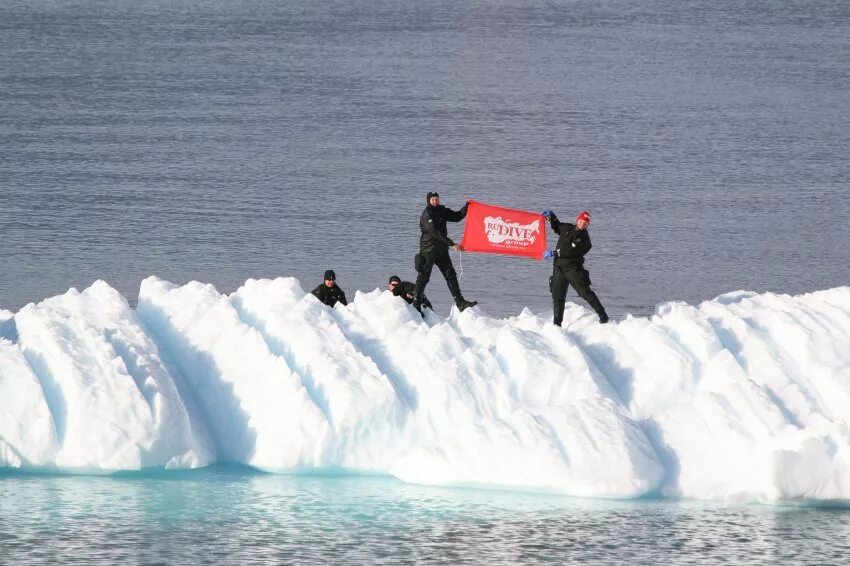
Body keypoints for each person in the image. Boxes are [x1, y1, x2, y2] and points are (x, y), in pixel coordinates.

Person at [413, 192, 478, 312]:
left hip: (442, 250)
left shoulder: (442, 210)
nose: (435, 201)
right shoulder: (426, 215)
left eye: (436, 199)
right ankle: (416, 303)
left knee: (450, 275)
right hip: (428, 250)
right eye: (432, 199)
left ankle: (460, 302)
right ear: (428, 201)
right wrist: (453, 244)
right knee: (424, 277)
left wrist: (467, 207)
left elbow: (457, 217)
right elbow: (436, 233)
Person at [542, 210, 609, 325]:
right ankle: (557, 325)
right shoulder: (568, 228)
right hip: (558, 267)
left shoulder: (585, 241)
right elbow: (557, 227)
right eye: (581, 221)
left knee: (584, 292)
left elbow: (570, 251)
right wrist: (552, 217)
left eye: (585, 223)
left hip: (573, 269)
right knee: (557, 296)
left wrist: (554, 253)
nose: (582, 224)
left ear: (587, 225)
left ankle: (602, 314)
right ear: (577, 220)